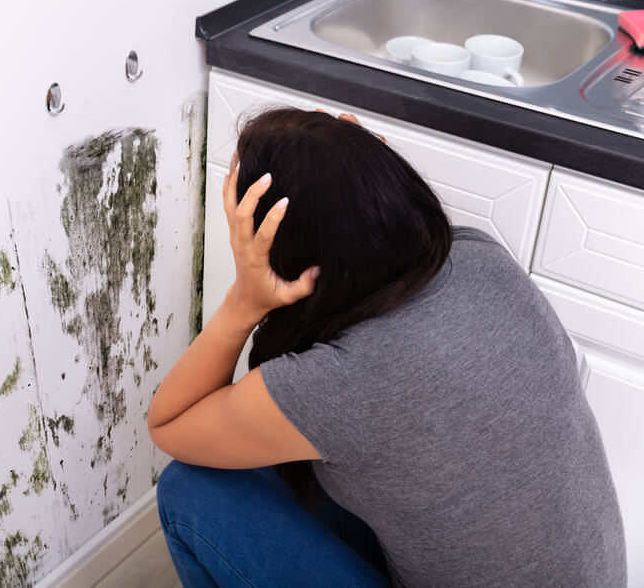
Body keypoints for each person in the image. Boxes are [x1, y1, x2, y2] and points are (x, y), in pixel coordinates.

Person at [147, 108, 626, 587]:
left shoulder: (340, 386)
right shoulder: (482, 257)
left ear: (288, 257)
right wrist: (351, 172)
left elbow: (169, 424)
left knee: (190, 490)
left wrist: (244, 301)